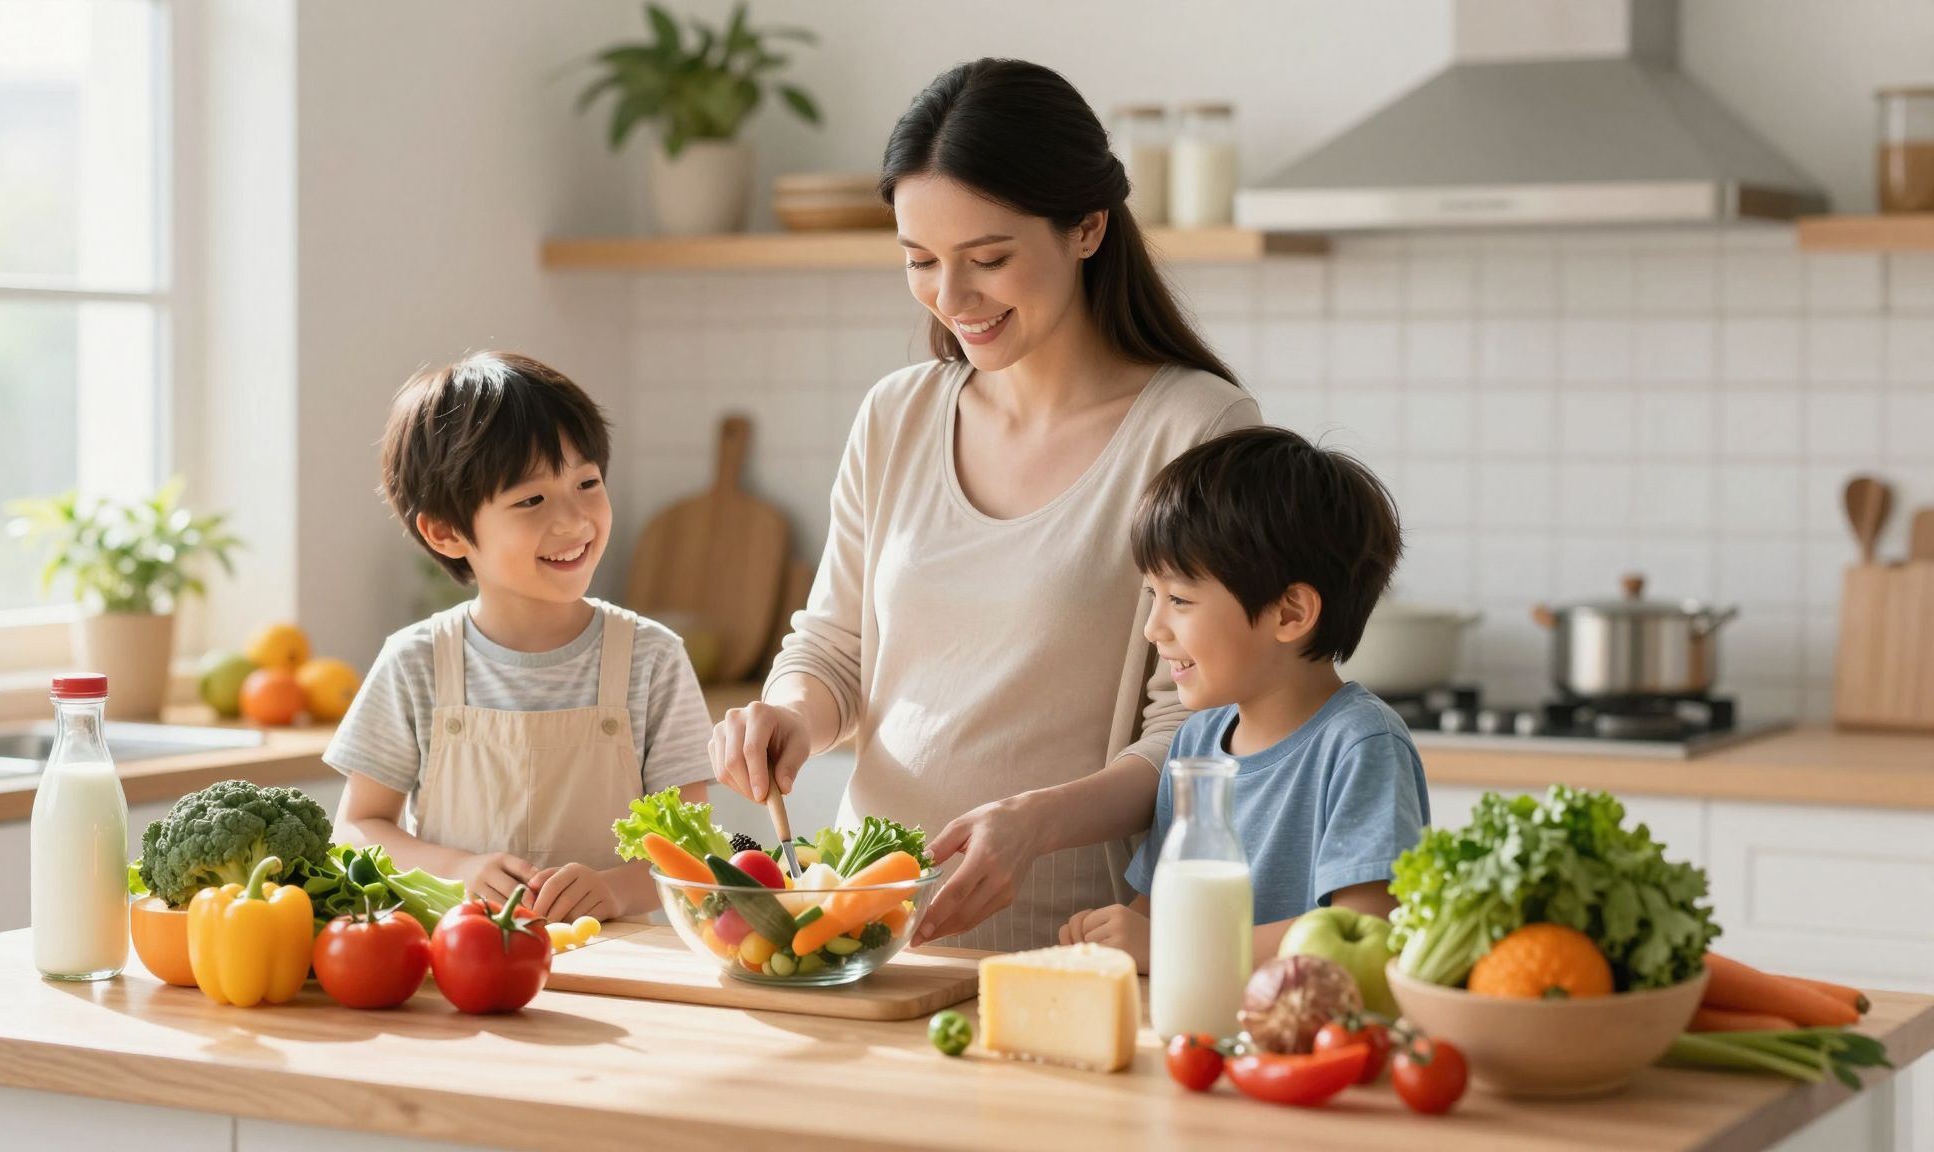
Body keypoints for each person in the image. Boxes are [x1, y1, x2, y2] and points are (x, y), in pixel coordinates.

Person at [707, 58, 1261, 951]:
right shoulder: (897, 414)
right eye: (920, 261)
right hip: (855, 932)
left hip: (1064, 949)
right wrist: (790, 713)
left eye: (989, 259)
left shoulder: (1194, 430)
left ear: (1086, 227)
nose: (952, 299)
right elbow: (834, 647)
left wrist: (1034, 823)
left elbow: (1198, 732)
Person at [327, 351, 713, 922]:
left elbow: (694, 849)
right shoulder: (415, 663)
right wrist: (457, 869)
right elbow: (357, 829)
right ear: (447, 531)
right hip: (461, 964)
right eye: (531, 499)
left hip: (618, 966)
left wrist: (613, 891)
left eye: (587, 482)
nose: (574, 521)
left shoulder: (652, 659)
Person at [1058, 427, 1429, 971]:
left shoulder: (1361, 744)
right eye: (1151, 597)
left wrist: (1168, 947)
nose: (1153, 628)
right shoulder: (1196, 741)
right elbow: (1159, 913)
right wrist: (1118, 938)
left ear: (1290, 613)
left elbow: (1368, 930)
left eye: (1179, 598)